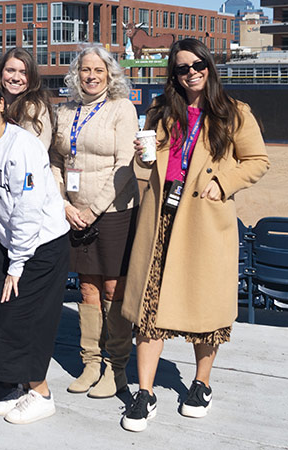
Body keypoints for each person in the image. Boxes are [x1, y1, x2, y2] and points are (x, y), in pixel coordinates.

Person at [120, 39, 269, 432]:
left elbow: (257, 161)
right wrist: (142, 155)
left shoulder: (233, 113)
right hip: (160, 221)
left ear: (209, 66)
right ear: (175, 73)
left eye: (198, 64)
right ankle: (146, 392)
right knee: (149, 310)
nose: (192, 72)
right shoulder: (161, 111)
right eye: (183, 67)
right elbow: (147, 164)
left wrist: (224, 182)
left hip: (203, 220)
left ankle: (201, 383)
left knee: (206, 308)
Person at [0, 77, 70, 424]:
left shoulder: (22, 146)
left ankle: (41, 392)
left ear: (2, 105)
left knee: (24, 319)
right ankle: (16, 386)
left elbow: (27, 208)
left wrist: (17, 264)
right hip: (12, 245)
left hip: (41, 244)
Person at [50, 46, 139, 399]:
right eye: (85, 70)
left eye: (98, 70)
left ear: (110, 73)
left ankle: (116, 368)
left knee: (112, 289)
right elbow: (55, 160)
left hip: (114, 212)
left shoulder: (122, 109)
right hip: (74, 212)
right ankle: (90, 362)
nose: (91, 76)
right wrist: (63, 204)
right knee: (86, 288)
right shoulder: (65, 110)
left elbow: (125, 166)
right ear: (76, 74)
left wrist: (92, 210)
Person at [0, 47, 54, 150]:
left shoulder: (35, 108)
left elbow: (36, 151)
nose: (16, 78)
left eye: (23, 73)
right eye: (10, 70)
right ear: (1, 72)